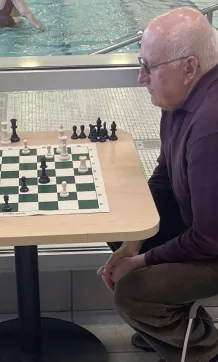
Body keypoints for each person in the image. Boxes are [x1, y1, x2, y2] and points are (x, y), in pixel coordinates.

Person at [97, 7, 218, 362]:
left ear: (189, 67)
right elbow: (164, 178)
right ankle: (171, 324)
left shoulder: (211, 129)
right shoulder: (181, 99)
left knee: (134, 292)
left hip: (213, 242)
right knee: (125, 220)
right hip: (202, 228)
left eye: (149, 67)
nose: (140, 78)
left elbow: (210, 238)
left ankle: (204, 349)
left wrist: (142, 261)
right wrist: (131, 243)